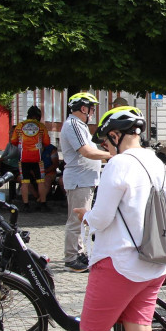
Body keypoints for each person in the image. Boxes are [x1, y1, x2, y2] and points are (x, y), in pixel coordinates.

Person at [52, 107, 166, 331]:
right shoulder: (158, 164)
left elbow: (102, 216)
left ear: (115, 135)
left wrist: (84, 216)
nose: (106, 148)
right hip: (153, 263)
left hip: (118, 263)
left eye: (107, 142)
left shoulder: (119, 164)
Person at [59, 92, 111, 272]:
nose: (93, 112)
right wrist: (112, 155)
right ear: (83, 108)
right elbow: (87, 152)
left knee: (81, 219)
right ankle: (71, 257)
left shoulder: (79, 125)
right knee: (76, 219)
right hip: (79, 179)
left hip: (84, 179)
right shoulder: (73, 124)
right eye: (92, 108)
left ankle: (78, 252)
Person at [10, 105, 52, 212]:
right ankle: (43, 203)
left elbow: (13, 141)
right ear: (38, 116)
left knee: (24, 182)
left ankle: (26, 205)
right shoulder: (41, 127)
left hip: (23, 158)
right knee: (41, 181)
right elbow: (47, 143)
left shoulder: (20, 126)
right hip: (37, 158)